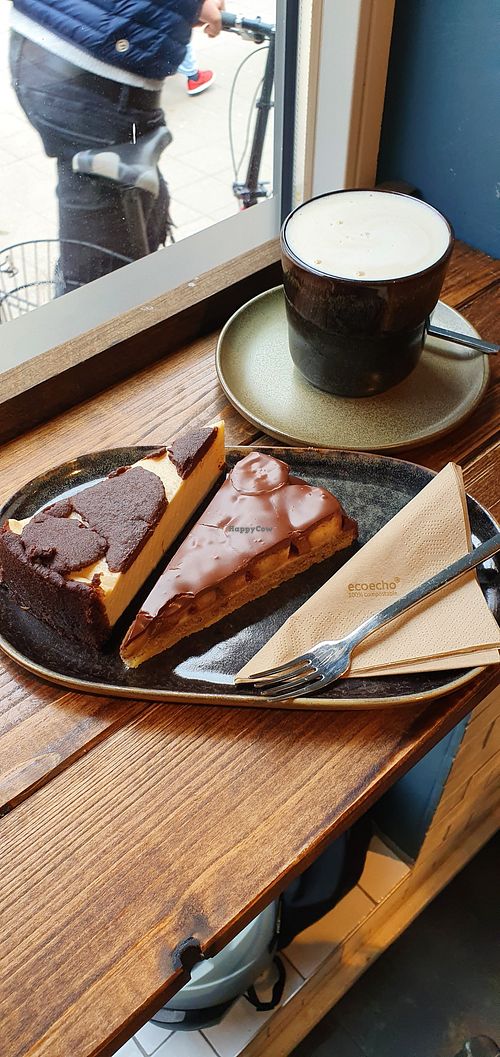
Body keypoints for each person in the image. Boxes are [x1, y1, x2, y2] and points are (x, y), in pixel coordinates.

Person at [9, 0, 224, 291]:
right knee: (100, 279)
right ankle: (94, 324)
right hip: (93, 66)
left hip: (46, 42)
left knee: (137, 202)